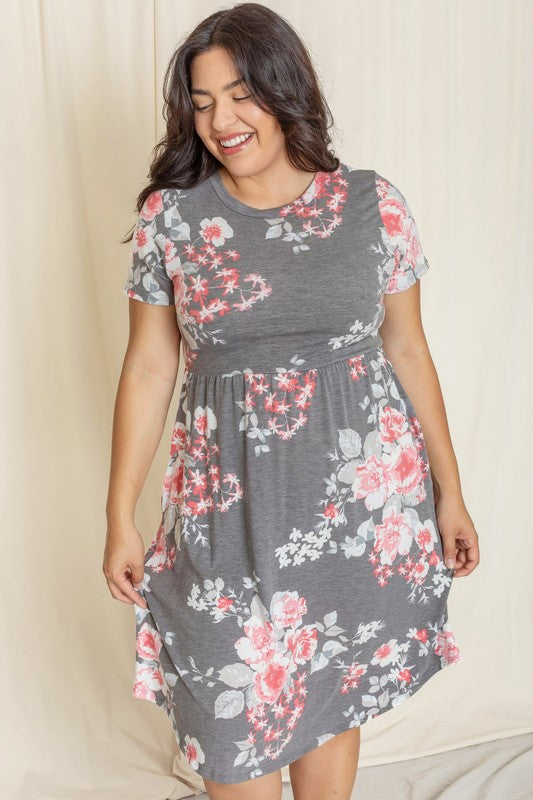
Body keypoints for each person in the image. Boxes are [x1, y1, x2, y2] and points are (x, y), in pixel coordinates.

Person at [103, 4, 480, 799]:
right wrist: (119, 517)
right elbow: (146, 367)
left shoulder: (372, 204)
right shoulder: (170, 217)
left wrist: (450, 493)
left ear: (283, 88)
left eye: (239, 94)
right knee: (230, 730)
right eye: (201, 102)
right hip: (225, 518)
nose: (220, 119)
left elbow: (406, 347)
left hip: (356, 515)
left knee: (328, 697)